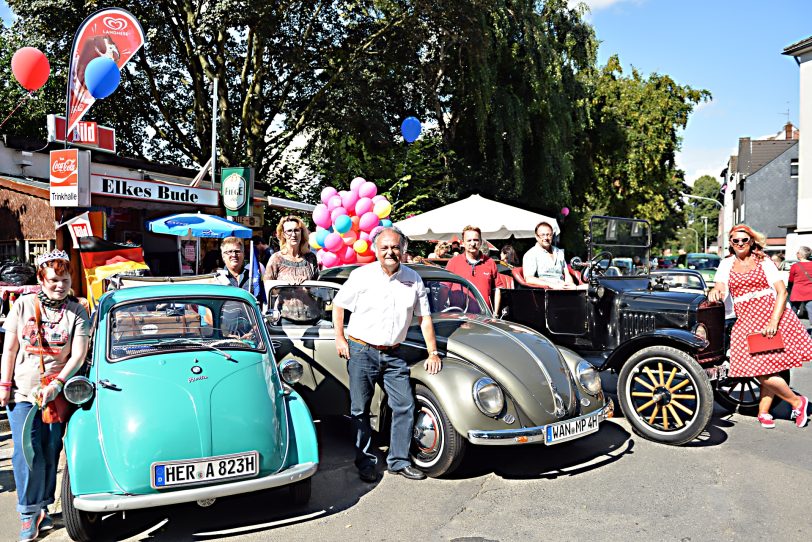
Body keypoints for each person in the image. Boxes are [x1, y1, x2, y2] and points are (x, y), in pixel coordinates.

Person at [333, 226, 442, 482]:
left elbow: (424, 318)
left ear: (403, 250)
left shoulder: (413, 278)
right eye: (384, 247)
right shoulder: (362, 275)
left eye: (395, 247)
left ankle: (398, 461)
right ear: (375, 250)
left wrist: (433, 353)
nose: (390, 252)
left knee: (404, 405)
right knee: (360, 410)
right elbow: (338, 304)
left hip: (394, 354)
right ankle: (366, 462)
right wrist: (339, 337)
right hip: (362, 351)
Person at [0, 250, 90, 541]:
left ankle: (44, 506)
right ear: (41, 278)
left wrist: (59, 383)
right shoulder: (23, 305)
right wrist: (4, 385)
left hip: (57, 392)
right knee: (26, 451)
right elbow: (10, 349)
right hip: (24, 391)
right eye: (53, 280)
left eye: (64, 279)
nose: (59, 285)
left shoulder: (77, 311)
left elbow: (78, 354)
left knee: (51, 450)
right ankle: (27, 512)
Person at [708, 225, 812, 429]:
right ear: (730, 243)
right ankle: (766, 410)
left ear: (752, 241)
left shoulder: (763, 261)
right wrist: (715, 290)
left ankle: (795, 403)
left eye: (744, 240)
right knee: (760, 367)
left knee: (764, 368)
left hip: (771, 316)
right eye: (735, 240)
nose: (739, 244)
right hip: (746, 320)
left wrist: (774, 321)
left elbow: (781, 292)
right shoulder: (726, 263)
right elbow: (720, 285)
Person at [445, 226, 503, 312]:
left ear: (480, 242)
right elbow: (444, 288)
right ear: (463, 243)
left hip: (484, 317)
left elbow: (498, 289)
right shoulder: (453, 262)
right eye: (469, 240)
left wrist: (495, 314)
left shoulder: (490, 262)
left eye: (476, 240)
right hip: (459, 316)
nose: (472, 243)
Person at [264, 215, 319, 285]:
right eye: (289, 231)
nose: (293, 234)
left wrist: (306, 284)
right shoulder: (276, 258)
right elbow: (267, 286)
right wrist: (286, 285)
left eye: (296, 230)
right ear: (283, 234)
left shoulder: (311, 257)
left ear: (301, 233)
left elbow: (317, 288)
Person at [522, 222, 576, 289]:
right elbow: (529, 279)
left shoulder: (559, 252)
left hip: (562, 289)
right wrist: (552, 285)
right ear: (536, 237)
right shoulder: (531, 254)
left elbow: (567, 274)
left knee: (587, 289)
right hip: (545, 292)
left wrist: (570, 285)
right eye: (542, 235)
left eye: (549, 235)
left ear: (552, 236)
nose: (546, 238)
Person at [788, 246, 812, 319]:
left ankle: (791, 328)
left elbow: (791, 280)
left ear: (800, 255)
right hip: (810, 292)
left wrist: (789, 290)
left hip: (797, 293)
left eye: (797, 252)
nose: (796, 254)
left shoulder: (795, 266)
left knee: (792, 313)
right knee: (811, 312)